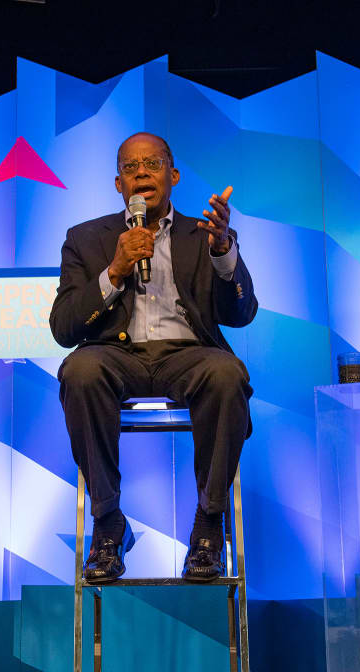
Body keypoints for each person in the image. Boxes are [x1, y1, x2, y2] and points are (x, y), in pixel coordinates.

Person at [50, 132, 258, 584]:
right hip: (115, 354)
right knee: (81, 371)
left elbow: (242, 314)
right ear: (118, 185)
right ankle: (108, 523)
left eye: (153, 163)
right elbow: (63, 327)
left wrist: (223, 252)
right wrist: (115, 270)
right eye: (130, 167)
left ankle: (209, 522)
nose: (141, 173)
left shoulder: (206, 235)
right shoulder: (85, 239)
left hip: (188, 354)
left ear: (173, 175)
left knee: (226, 374)